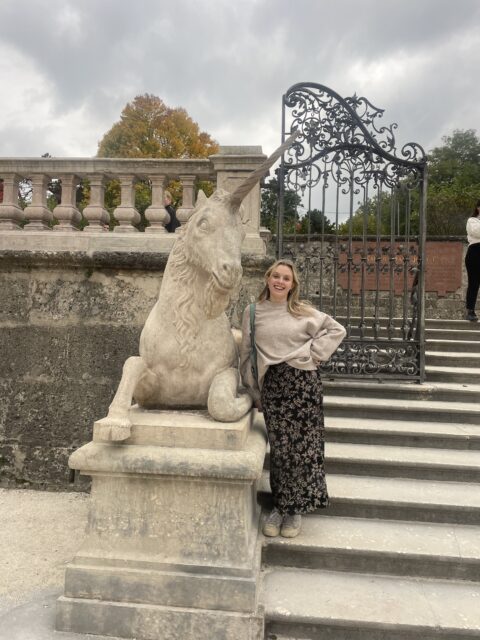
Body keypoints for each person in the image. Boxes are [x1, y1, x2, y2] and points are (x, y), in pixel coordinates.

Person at [240, 259, 346, 538]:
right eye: (276, 276)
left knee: (304, 449)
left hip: (303, 383)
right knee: (281, 449)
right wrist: (253, 392)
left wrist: (315, 354)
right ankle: (279, 507)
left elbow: (337, 330)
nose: (280, 281)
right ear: (267, 279)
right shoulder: (253, 313)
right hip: (274, 386)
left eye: (286, 278)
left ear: (292, 284)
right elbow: (247, 356)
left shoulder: (303, 312)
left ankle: (294, 510)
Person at [465, 200, 480, 322]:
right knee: (474, 283)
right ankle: (470, 311)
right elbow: (476, 232)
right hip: (475, 252)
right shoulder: (472, 220)